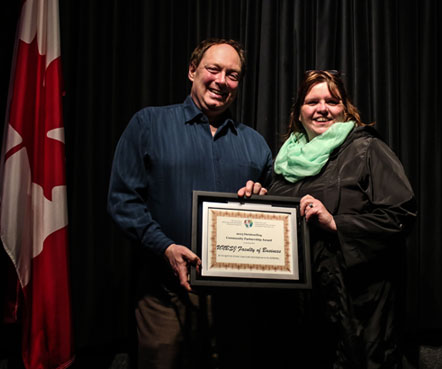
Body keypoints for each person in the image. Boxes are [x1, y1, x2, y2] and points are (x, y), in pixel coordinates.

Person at [107, 38, 272, 369]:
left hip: (235, 305)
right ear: (192, 70)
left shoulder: (255, 144)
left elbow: (273, 215)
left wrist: (263, 202)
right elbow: (123, 202)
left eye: (233, 74)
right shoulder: (149, 125)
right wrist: (165, 247)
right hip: (165, 295)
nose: (222, 80)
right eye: (213, 69)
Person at [239, 70, 417, 368]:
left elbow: (400, 215)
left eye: (331, 101)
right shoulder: (285, 162)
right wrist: (258, 201)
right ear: (298, 112)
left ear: (345, 108)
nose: (322, 108)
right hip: (297, 313)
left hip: (354, 311)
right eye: (312, 101)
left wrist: (336, 223)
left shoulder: (367, 149)